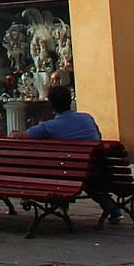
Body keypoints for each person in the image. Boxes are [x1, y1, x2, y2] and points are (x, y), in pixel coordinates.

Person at [24, 84, 119, 223]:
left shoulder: (50, 127)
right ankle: (113, 209)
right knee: (85, 177)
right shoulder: (87, 118)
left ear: (51, 104)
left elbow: (18, 136)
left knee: (50, 167)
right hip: (99, 170)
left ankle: (56, 204)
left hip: (68, 174)